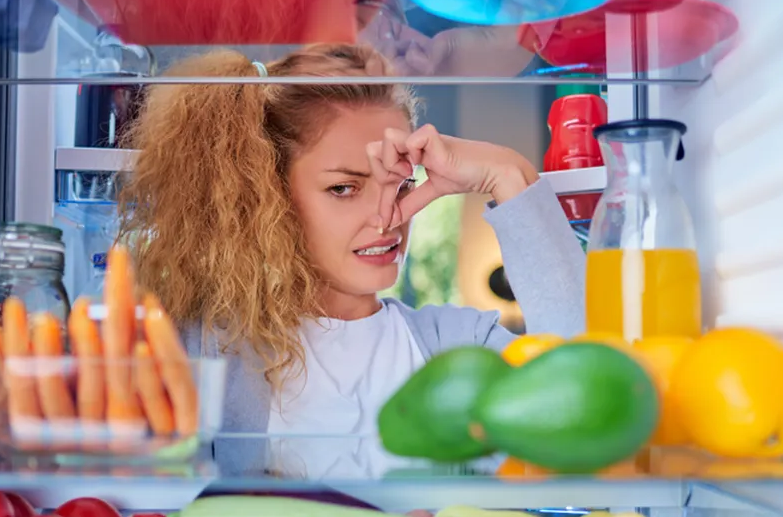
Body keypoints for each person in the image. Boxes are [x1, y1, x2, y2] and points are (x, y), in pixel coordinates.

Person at [117, 43, 584, 469]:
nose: (387, 218)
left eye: (401, 185)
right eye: (344, 188)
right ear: (267, 195)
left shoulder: (459, 345)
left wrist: (504, 175)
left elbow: (593, 396)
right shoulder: (202, 348)